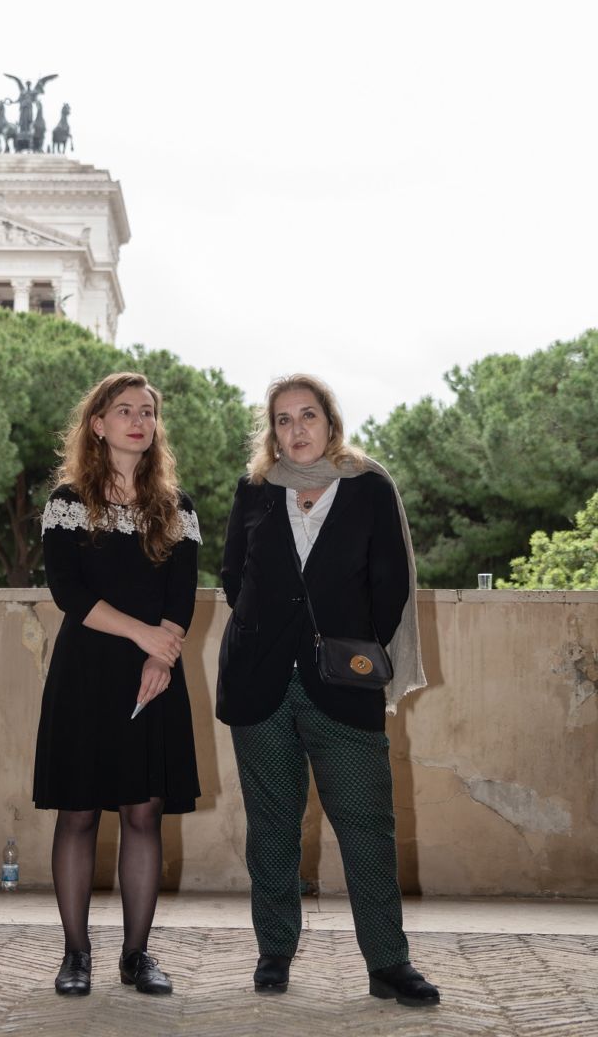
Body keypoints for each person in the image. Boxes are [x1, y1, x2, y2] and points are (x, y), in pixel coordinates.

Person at [217, 374, 440, 1008]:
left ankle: (389, 964)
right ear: (272, 430)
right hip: (259, 685)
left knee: (367, 825)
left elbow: (390, 583)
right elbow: (235, 575)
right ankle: (274, 952)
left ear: (330, 421)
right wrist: (270, 635)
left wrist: (345, 644)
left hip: (343, 686)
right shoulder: (255, 490)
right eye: (284, 420)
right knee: (272, 829)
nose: (297, 429)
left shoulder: (368, 486)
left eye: (307, 415)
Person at [34, 372, 201, 998]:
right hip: (86, 674)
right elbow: (70, 595)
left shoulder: (177, 507)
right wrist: (144, 638)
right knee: (77, 813)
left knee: (143, 811)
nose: (138, 420)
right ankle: (75, 955)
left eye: (148, 411)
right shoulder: (69, 498)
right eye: (123, 410)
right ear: (98, 424)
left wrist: (163, 657)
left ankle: (137, 956)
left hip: (154, 672)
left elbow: (181, 596)